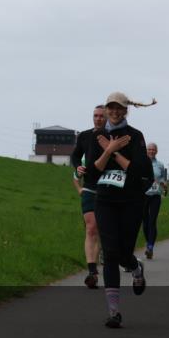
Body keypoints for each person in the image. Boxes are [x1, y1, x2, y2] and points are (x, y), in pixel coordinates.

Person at [83, 91, 156, 328]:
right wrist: (106, 150)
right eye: (110, 108)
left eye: (119, 108)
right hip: (105, 200)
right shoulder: (98, 136)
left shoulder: (135, 136)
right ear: (105, 110)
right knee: (111, 254)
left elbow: (140, 173)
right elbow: (92, 174)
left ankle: (135, 268)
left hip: (131, 201)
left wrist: (113, 151)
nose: (114, 112)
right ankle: (114, 311)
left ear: (126, 110)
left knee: (124, 254)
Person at [71, 105, 107, 288]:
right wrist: (77, 166)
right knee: (91, 228)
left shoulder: (112, 136)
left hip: (108, 189)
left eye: (101, 116)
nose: (98, 118)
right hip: (89, 188)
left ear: (107, 117)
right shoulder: (84, 136)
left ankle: (107, 255)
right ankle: (92, 272)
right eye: (95, 116)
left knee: (101, 228)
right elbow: (75, 156)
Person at [141, 142, 169, 260]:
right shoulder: (141, 162)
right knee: (145, 222)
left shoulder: (160, 165)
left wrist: (163, 183)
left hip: (155, 195)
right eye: (149, 149)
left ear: (156, 151)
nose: (151, 151)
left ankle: (150, 247)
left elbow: (162, 178)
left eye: (153, 150)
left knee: (152, 221)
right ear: (146, 150)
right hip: (143, 195)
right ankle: (149, 243)